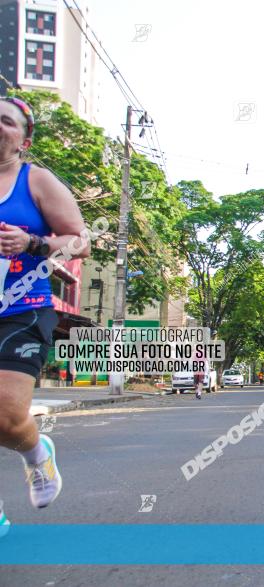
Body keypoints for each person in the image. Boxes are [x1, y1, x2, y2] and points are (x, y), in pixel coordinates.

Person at [0, 97, 91, 534]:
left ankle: (37, 453)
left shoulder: (34, 180)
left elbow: (80, 242)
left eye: (6, 122)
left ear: (24, 139)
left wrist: (32, 243)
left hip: (20, 309)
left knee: (4, 415)